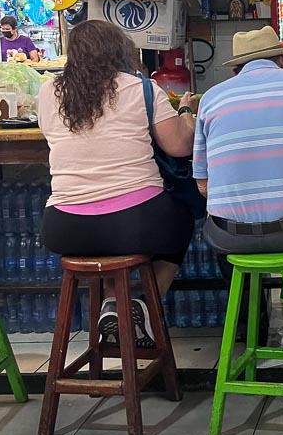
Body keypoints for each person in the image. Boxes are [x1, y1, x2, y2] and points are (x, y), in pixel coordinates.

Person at [38, 20, 196, 347]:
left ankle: (113, 303)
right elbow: (179, 146)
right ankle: (145, 307)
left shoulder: (48, 92)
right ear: (120, 50)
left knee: (107, 239)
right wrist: (185, 112)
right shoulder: (141, 88)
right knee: (183, 215)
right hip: (137, 222)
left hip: (65, 228)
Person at [193, 26, 283, 344]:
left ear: (234, 68)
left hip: (232, 238)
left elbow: (203, 185)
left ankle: (250, 330)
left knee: (221, 235)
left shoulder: (211, 98)